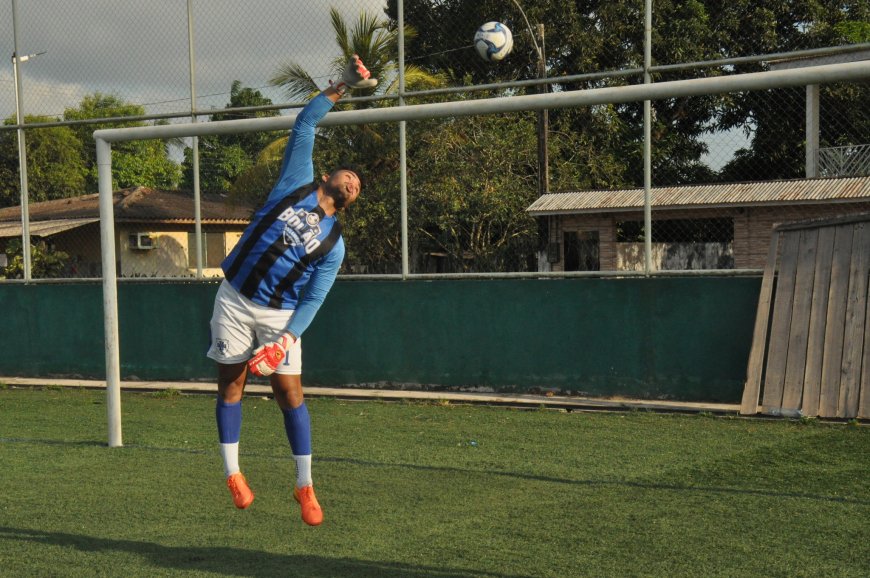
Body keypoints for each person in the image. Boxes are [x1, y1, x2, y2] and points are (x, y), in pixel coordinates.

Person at [206, 54, 377, 526]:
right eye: (349, 175)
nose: (354, 181)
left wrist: (285, 339)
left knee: (290, 394)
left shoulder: (335, 246)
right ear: (327, 177)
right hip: (235, 300)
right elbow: (306, 123)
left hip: (281, 317)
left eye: (359, 186)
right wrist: (342, 85)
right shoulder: (295, 180)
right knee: (232, 383)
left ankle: (304, 485)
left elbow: (314, 298)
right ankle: (233, 475)